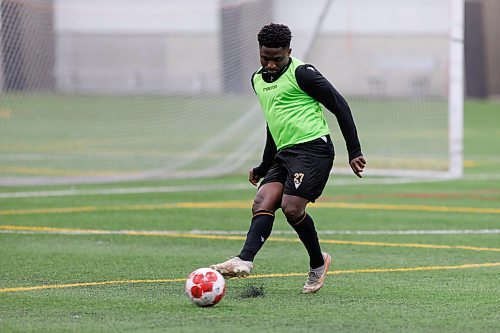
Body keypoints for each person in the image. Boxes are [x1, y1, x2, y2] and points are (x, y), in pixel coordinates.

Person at [210, 23, 366, 294]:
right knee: (263, 200)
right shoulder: (257, 80)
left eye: (277, 59)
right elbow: (274, 125)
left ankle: (318, 263)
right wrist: (263, 165)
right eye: (265, 58)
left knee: (291, 208)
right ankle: (245, 259)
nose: (270, 65)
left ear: (289, 52)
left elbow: (340, 106)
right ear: (259, 53)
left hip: (313, 149)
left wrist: (354, 151)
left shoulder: (302, 74)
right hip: (285, 153)